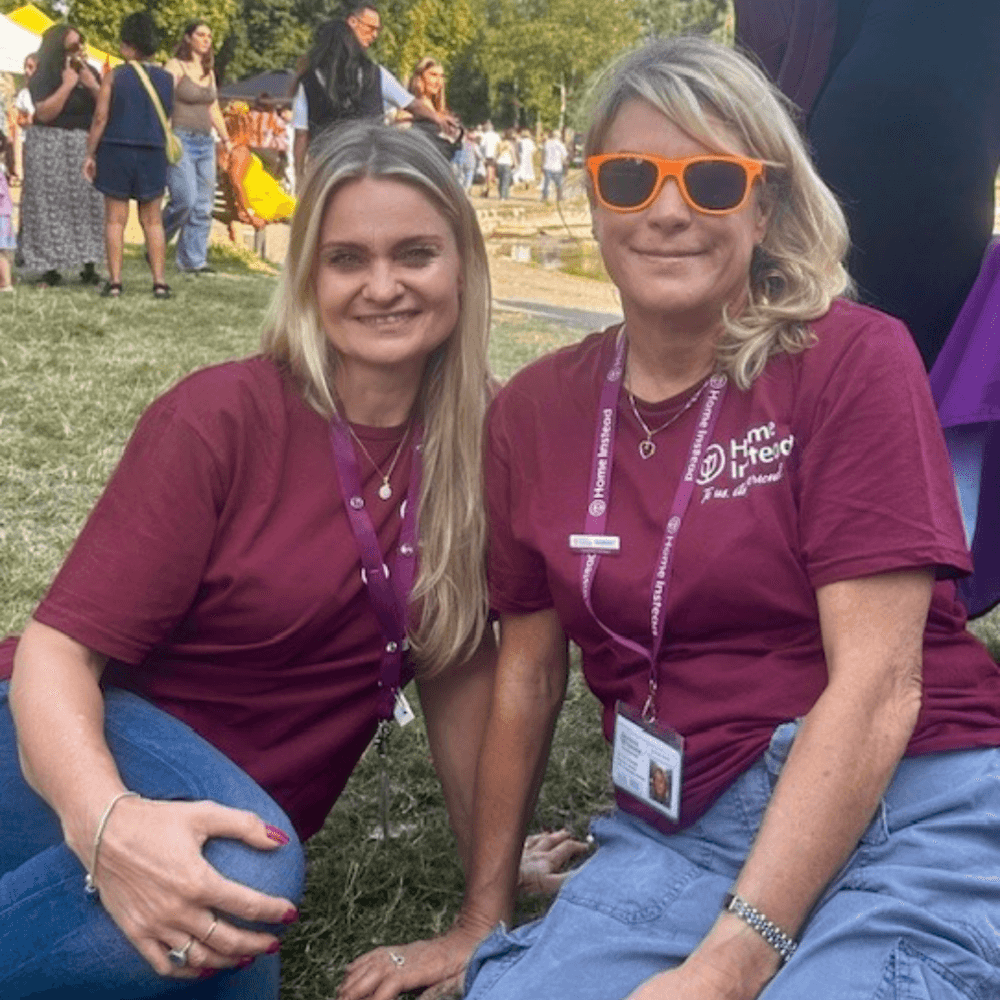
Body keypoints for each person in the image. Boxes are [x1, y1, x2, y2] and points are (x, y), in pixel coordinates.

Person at [337, 36, 1000, 1000]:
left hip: (908, 794)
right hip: (688, 820)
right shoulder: (535, 411)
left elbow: (880, 687)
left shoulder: (854, 360)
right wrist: (482, 918)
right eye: (634, 176)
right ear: (596, 197)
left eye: (716, 182)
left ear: (766, 206)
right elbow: (527, 674)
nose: (671, 210)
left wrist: (732, 962)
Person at [0, 119, 581, 999]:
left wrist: (486, 896)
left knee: (234, 955)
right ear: (309, 275)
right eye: (348, 258)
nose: (382, 286)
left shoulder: (484, 441)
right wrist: (109, 826)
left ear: (464, 264)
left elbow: (458, 669)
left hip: (240, 827)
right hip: (68, 749)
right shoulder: (221, 419)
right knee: (249, 882)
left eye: (416, 253)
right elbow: (53, 655)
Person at [291, 7, 456, 181]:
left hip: (326, 169)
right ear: (352, 26)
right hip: (369, 168)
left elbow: (302, 135)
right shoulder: (376, 74)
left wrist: (299, 174)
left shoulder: (308, 82)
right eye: (371, 28)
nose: (375, 35)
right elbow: (412, 104)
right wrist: (437, 119)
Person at [83, 12, 174, 299]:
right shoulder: (167, 79)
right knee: (153, 220)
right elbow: (168, 118)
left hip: (116, 147)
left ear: (127, 46)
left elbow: (100, 117)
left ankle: (115, 282)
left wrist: (90, 152)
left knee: (115, 220)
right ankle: (159, 282)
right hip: (153, 151)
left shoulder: (115, 77)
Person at [20, 23, 103, 287]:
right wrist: (67, 85)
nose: (79, 50)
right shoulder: (44, 74)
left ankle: (89, 265)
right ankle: (48, 268)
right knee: (48, 207)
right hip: (49, 145)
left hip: (83, 144)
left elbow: (106, 108)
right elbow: (43, 114)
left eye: (81, 44)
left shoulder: (91, 72)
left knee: (87, 205)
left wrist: (91, 86)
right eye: (72, 45)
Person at [161, 21, 233, 276]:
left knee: (203, 205)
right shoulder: (175, 66)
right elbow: (163, 101)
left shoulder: (208, 71)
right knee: (185, 199)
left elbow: (212, 107)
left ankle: (193, 261)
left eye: (209, 36)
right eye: (201, 35)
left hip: (205, 142)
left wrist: (226, 138)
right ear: (188, 38)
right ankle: (157, 239)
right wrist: (166, 134)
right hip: (181, 139)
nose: (206, 40)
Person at [404, 56, 463, 163]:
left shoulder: (441, 112)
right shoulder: (409, 109)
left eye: (441, 76)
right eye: (433, 75)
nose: (438, 82)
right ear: (420, 77)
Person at [541, 128, 567, 202]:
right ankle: (559, 197)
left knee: (546, 183)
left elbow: (543, 154)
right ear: (559, 136)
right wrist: (563, 162)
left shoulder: (547, 143)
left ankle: (544, 197)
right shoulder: (561, 144)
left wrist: (542, 164)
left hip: (547, 166)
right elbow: (564, 155)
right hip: (557, 166)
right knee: (559, 183)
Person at [494, 128, 517, 200]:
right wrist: (515, 163)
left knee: (500, 180)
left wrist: (495, 162)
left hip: (499, 163)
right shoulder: (510, 144)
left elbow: (496, 154)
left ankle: (502, 195)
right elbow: (513, 154)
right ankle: (504, 196)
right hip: (507, 163)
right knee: (506, 181)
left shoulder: (499, 143)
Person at [478, 119, 499, 197]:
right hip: (494, 156)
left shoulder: (485, 135)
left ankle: (486, 190)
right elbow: (499, 146)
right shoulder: (497, 135)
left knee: (488, 174)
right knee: (491, 174)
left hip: (487, 157)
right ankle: (488, 189)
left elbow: (482, 146)